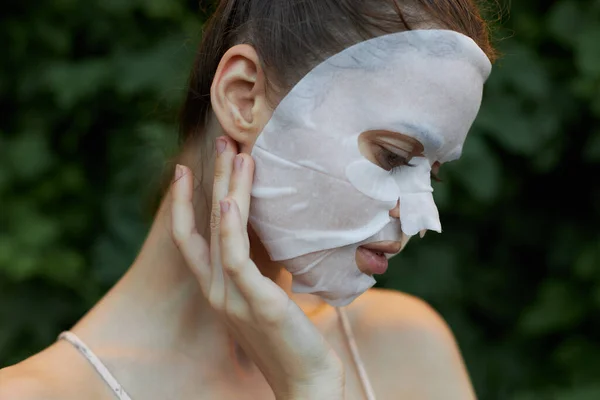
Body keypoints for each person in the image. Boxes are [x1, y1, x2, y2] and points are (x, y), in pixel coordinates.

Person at [0, 0, 497, 399]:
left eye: (432, 174)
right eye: (392, 157)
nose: (420, 217)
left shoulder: (406, 347)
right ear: (243, 97)